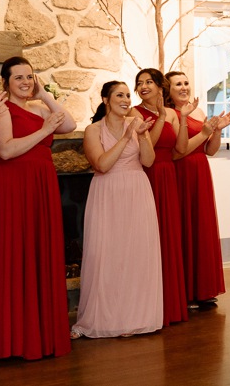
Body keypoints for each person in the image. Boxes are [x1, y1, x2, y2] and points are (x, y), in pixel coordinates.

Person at [0, 57, 76, 360]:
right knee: (16, 253)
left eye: (29, 77)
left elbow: (69, 125)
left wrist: (46, 97)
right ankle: (14, 339)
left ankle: (39, 333)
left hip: (40, 186)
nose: (26, 82)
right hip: (14, 187)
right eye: (18, 78)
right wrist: (44, 132)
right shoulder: (2, 110)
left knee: (39, 253)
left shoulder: (39, 108)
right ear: (6, 82)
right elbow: (4, 150)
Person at [71, 81, 163, 338]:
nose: (125, 99)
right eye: (119, 95)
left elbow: (148, 161)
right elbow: (102, 164)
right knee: (106, 253)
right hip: (107, 194)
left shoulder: (136, 128)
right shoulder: (93, 130)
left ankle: (135, 317)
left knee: (135, 254)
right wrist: (125, 137)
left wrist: (142, 135)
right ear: (105, 100)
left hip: (137, 191)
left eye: (127, 95)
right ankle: (101, 319)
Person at [165, 71, 230, 308]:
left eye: (186, 83)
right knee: (183, 227)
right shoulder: (169, 115)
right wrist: (205, 132)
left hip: (200, 172)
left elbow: (210, 150)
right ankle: (184, 291)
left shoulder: (198, 112)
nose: (184, 87)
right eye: (178, 84)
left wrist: (217, 131)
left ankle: (202, 289)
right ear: (168, 90)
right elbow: (179, 151)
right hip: (180, 172)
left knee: (200, 226)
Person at [132, 68, 192, 326]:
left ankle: (172, 303)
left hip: (169, 177)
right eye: (139, 83)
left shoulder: (172, 113)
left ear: (160, 87)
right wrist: (159, 118)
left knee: (170, 237)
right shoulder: (134, 112)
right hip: (148, 174)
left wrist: (184, 119)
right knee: (150, 238)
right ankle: (151, 304)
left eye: (149, 82)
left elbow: (180, 149)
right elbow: (150, 145)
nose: (143, 86)